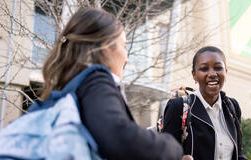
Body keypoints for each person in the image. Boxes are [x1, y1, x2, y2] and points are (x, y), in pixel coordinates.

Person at [41, 7, 183, 160]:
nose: (126, 58)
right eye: (124, 46)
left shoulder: (70, 87)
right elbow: (120, 138)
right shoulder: (96, 81)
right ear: (105, 48)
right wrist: (172, 147)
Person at [162, 46, 247, 160]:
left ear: (225, 72)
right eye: (204, 69)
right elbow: (164, 154)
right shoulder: (178, 107)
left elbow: (238, 155)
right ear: (194, 75)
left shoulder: (232, 107)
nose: (212, 74)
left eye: (218, 68)